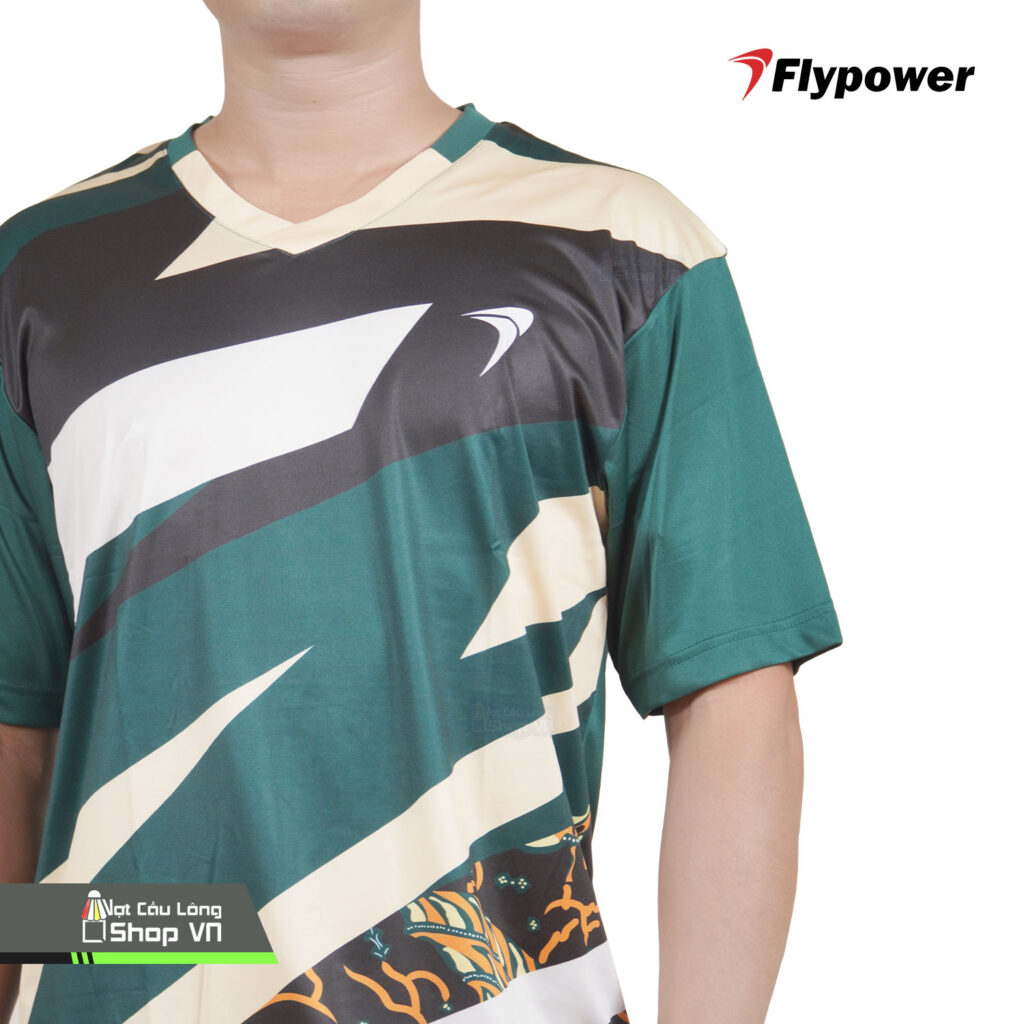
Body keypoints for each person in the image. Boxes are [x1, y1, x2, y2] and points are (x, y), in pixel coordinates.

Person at [0, 1, 843, 1022]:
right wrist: (169, 949)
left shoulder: (624, 248)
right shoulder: (36, 277)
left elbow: (731, 691)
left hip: (487, 991)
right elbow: (17, 733)